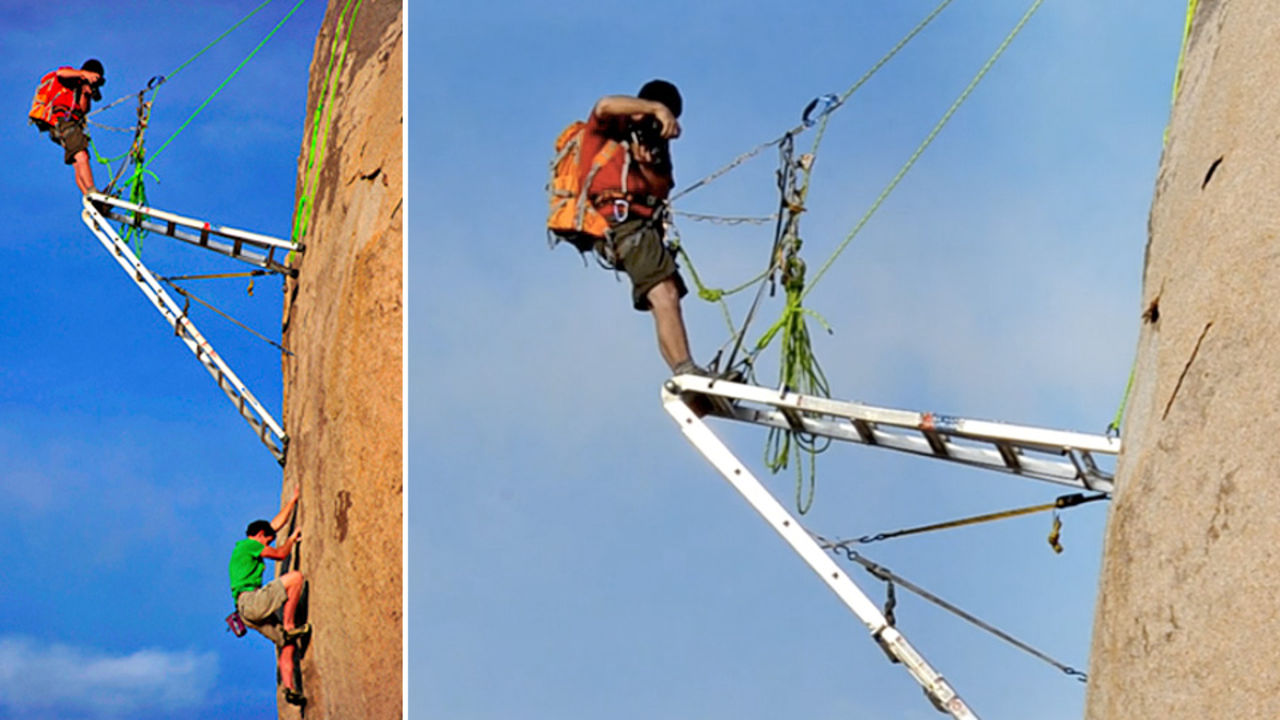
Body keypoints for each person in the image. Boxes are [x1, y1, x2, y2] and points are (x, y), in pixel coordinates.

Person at [580, 79, 703, 376]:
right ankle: (685, 369)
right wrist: (655, 108)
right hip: (619, 224)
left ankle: (682, 368)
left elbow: (660, 191)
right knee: (664, 293)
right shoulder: (611, 128)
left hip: (640, 228)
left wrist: (647, 164)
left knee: (666, 295)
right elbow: (604, 104)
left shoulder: (655, 149)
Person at [228, 486, 309, 705]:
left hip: (246, 613)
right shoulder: (250, 545)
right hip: (251, 601)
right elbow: (282, 554)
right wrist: (292, 539)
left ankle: (290, 689)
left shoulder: (247, 546)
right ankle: (290, 623)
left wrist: (292, 502)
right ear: (259, 536)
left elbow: (274, 525)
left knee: (287, 642)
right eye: (267, 540)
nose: (268, 545)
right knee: (296, 578)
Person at [41, 60, 105, 195]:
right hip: (63, 121)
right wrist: (84, 74)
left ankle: (88, 195)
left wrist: (86, 94)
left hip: (65, 125)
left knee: (78, 160)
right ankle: (93, 192)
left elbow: (83, 110)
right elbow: (60, 73)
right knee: (81, 156)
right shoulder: (71, 75)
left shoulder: (78, 89)